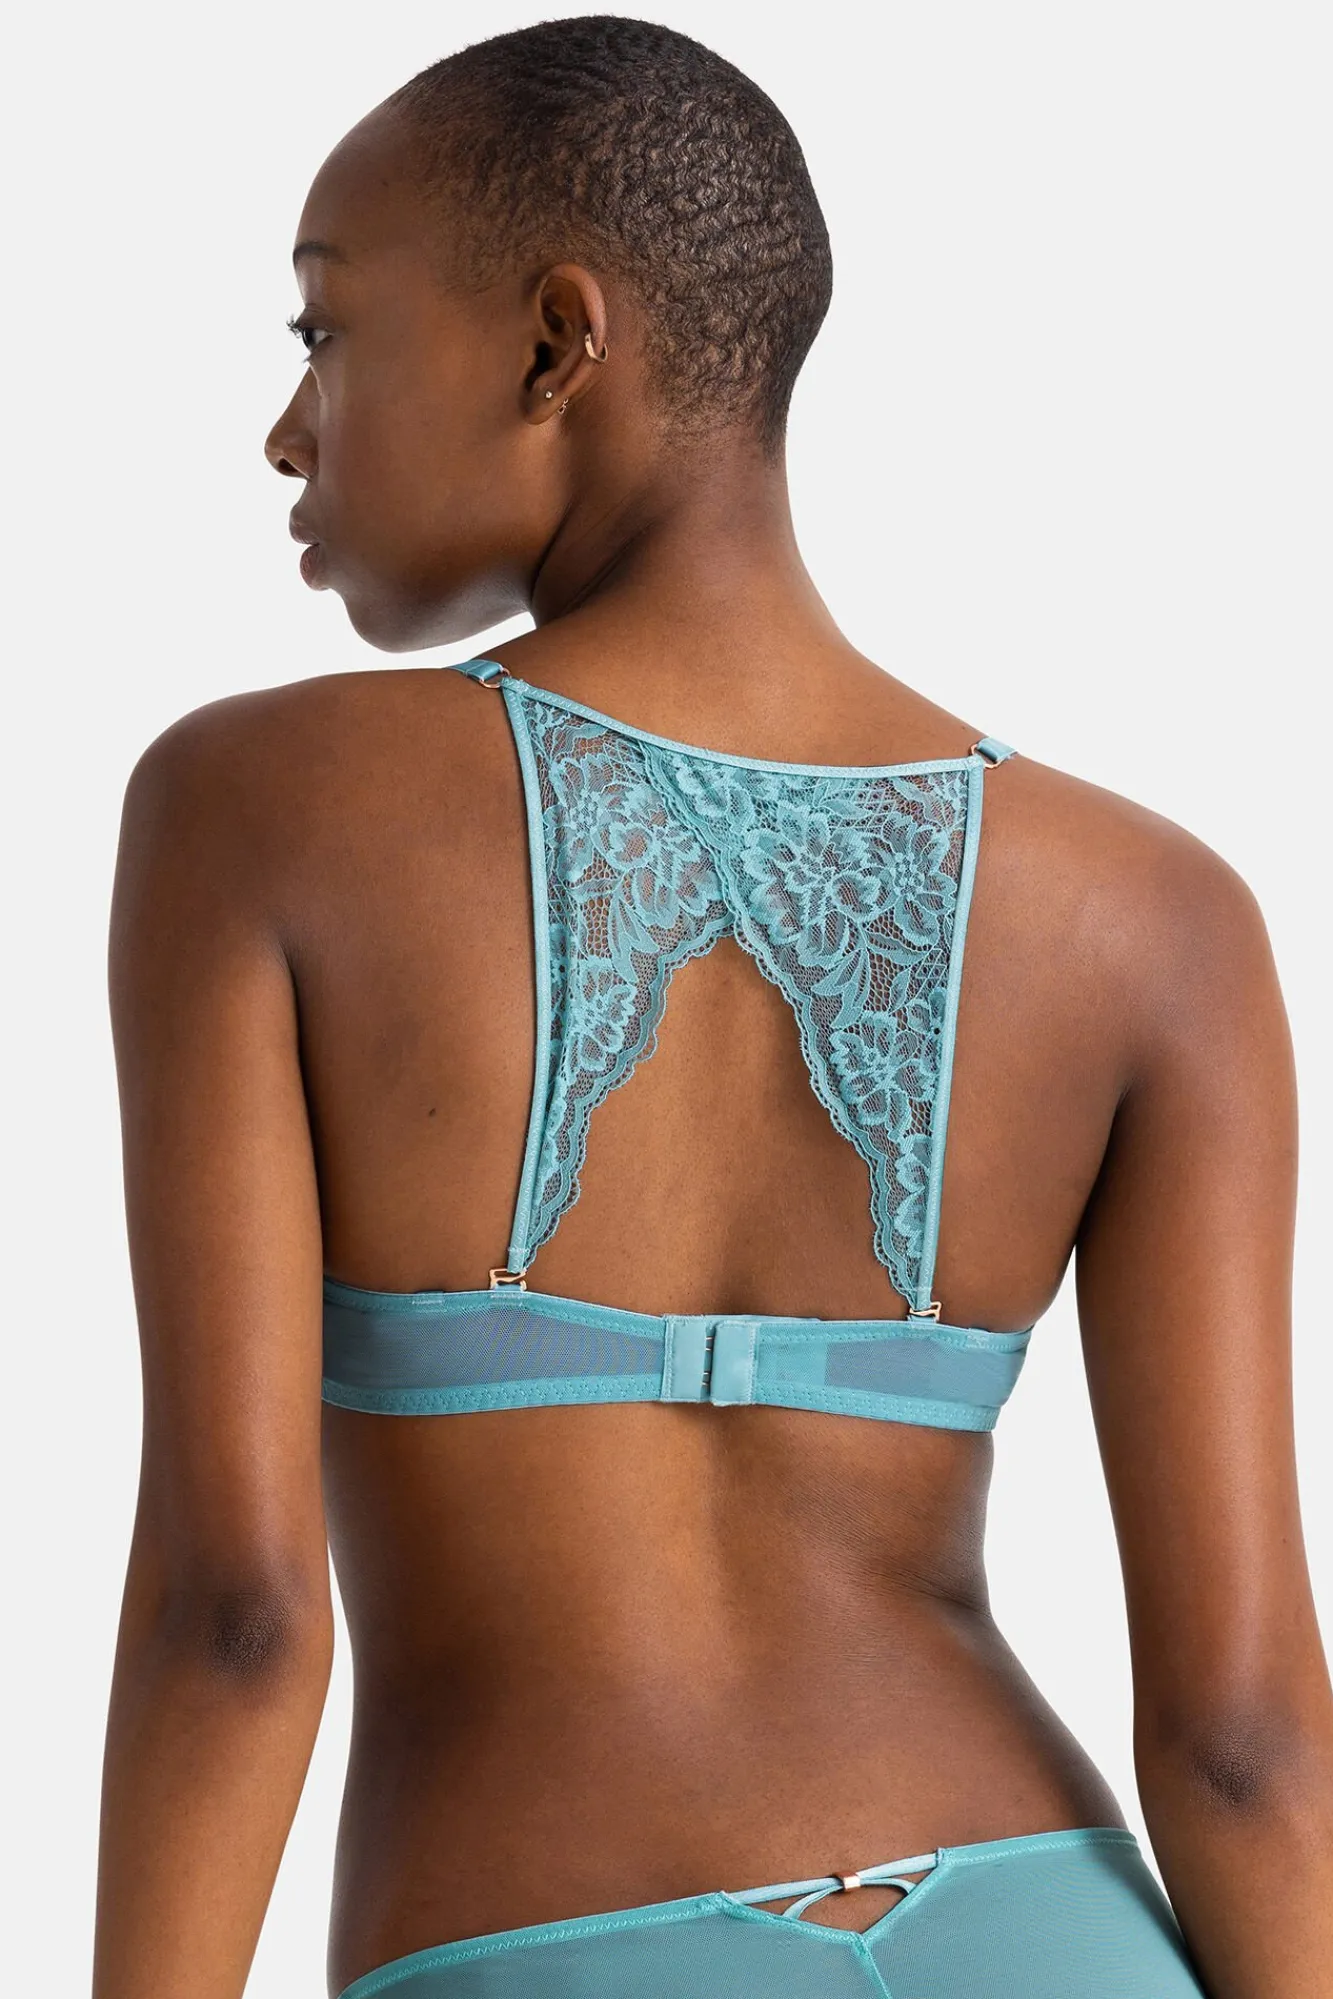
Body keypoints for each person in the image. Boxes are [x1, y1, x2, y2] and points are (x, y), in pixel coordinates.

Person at [92, 16, 1333, 1998]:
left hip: (549, 1941)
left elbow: (235, 1620)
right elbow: (1249, 1733)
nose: (287, 430)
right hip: (1056, 1931)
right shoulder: (1159, 917)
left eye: (324, 332)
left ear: (555, 343)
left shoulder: (259, 813)